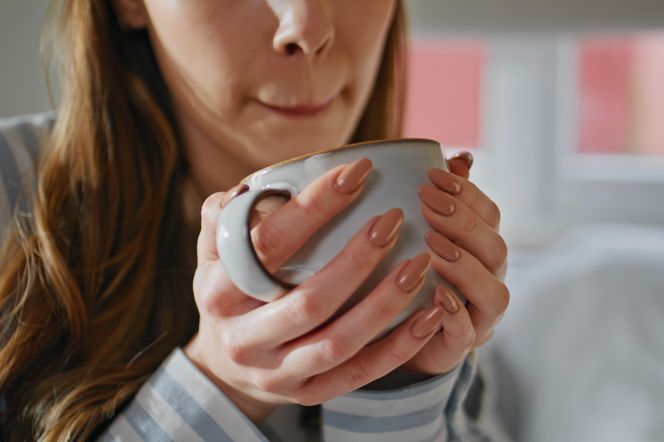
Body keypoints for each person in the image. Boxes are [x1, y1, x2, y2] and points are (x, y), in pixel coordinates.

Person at [0, 0, 510, 440]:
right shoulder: (11, 193)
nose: (308, 28)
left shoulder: (426, 272)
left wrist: (397, 375)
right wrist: (220, 386)